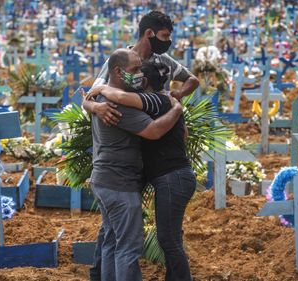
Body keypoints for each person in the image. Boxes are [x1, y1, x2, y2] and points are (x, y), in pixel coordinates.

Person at [83, 11, 199, 281]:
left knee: (123, 235)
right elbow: (94, 94)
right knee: (118, 237)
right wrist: (97, 105)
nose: (167, 42)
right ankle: (99, 274)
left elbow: (190, 80)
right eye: (164, 36)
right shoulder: (121, 61)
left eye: (139, 72)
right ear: (149, 33)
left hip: (133, 169)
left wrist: (177, 100)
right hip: (123, 170)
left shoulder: (159, 73)